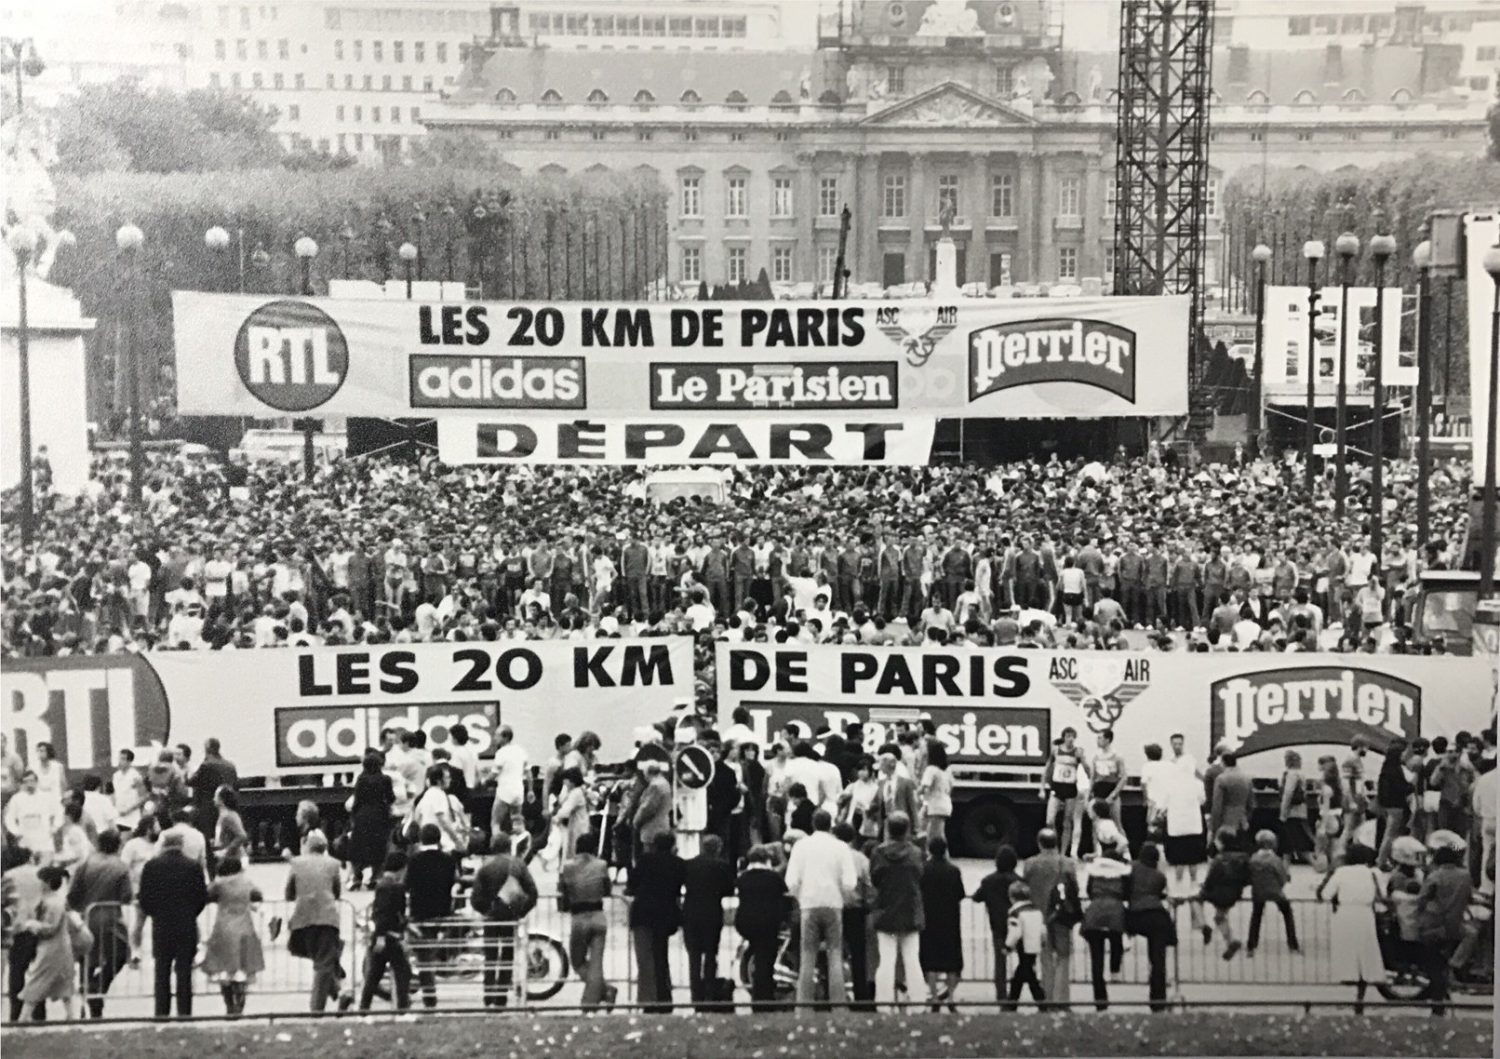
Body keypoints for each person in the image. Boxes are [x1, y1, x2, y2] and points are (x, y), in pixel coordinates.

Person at [785, 807, 856, 1008]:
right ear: (830, 824)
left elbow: (791, 880)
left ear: (813, 824)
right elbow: (850, 882)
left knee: (807, 956)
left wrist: (800, 897)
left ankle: (804, 1005)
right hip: (833, 904)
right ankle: (838, 1004)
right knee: (835, 954)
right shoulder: (841, 847)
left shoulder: (801, 846)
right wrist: (843, 895)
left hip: (809, 904)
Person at [137, 829, 209, 1018]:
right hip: (186, 923)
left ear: (164, 845)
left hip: (161, 924)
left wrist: (155, 913)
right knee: (184, 969)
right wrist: (191, 912)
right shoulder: (192, 866)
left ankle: (162, 1011)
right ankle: (184, 1011)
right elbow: (201, 896)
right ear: (181, 845)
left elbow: (144, 898)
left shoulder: (151, 867)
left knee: (162, 969)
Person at [67, 828, 133, 1018]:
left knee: (86, 960)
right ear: (117, 845)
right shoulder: (120, 866)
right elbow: (127, 896)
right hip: (111, 919)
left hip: (86, 918)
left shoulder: (86, 863)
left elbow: (72, 895)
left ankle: (90, 996)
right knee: (119, 956)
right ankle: (100, 985)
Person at [470, 831, 539, 1008]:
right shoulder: (518, 865)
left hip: (492, 917)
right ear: (510, 846)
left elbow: (475, 898)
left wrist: (486, 910)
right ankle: (501, 996)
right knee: (507, 955)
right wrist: (521, 912)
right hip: (510, 915)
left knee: (491, 956)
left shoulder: (486, 866)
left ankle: (489, 996)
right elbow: (533, 893)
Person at [1320, 843, 1385, 1014]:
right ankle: (1360, 997)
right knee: (1365, 956)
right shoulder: (1373, 873)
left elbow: (1326, 894)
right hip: (1365, 914)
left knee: (1347, 955)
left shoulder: (1341, 873)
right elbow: (1382, 895)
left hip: (1345, 914)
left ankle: (1347, 994)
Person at [284, 830, 345, 1012]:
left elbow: (289, 892)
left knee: (318, 959)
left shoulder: (297, 863)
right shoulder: (334, 864)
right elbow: (337, 892)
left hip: (303, 917)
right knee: (324, 961)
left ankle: (319, 1007)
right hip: (327, 916)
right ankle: (333, 996)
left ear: (307, 846)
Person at [869, 811, 924, 1011]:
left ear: (888, 829)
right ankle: (918, 1004)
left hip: (886, 911)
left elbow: (874, 878)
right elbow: (919, 875)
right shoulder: (916, 853)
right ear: (907, 829)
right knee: (912, 960)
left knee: (886, 961)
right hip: (909, 912)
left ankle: (883, 1004)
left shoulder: (878, 853)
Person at [626, 830, 685, 1013]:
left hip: (643, 912)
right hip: (665, 914)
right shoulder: (678, 864)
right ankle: (664, 996)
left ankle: (649, 1000)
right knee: (661, 955)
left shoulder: (644, 861)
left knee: (645, 959)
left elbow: (632, 885)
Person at [1416, 830, 1474, 1016]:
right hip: (1456, 927)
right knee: (1471, 934)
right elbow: (1470, 897)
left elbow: (1422, 899)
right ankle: (1456, 964)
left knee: (1434, 965)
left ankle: (1437, 1002)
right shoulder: (1465, 876)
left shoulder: (1435, 876)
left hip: (1434, 926)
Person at [201, 853, 265, 1016]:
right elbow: (258, 894)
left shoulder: (219, 884)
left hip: (223, 928)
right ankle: (241, 996)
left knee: (223, 970)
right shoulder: (247, 882)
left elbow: (206, 895)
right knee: (244, 967)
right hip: (245, 927)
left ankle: (229, 1002)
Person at [558, 831, 614, 1009]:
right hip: (598, 915)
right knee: (597, 962)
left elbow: (563, 894)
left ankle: (591, 1002)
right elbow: (607, 889)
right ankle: (602, 992)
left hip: (579, 917)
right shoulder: (602, 865)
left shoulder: (567, 867)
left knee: (578, 961)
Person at [1022, 827, 1078, 1005]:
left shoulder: (1030, 864)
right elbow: (1073, 890)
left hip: (1039, 917)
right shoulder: (1067, 864)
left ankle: (1047, 999)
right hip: (1061, 916)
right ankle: (1063, 1000)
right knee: (1063, 958)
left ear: (1039, 843)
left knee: (1045, 960)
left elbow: (1025, 888)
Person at [16, 865, 79, 1021]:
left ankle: (23, 1019)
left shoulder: (52, 903)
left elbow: (50, 927)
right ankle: (72, 1017)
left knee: (37, 982)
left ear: (47, 882)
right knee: (64, 984)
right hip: (61, 947)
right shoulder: (56, 901)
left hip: (51, 949)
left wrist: (32, 925)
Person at [682, 833, 736, 1012]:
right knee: (711, 955)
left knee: (693, 956)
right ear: (718, 848)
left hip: (690, 913)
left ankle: (695, 994)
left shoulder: (689, 865)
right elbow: (729, 888)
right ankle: (710, 992)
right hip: (711, 913)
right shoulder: (721, 866)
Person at [406, 823, 458, 1009]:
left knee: (423, 957)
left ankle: (429, 996)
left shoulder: (414, 860)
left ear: (421, 839)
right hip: (442, 911)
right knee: (432, 951)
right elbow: (453, 881)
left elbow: (408, 884)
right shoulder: (448, 860)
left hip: (420, 913)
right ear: (439, 839)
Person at [735, 844, 790, 1013]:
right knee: (766, 959)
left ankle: (757, 995)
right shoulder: (773, 878)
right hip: (767, 923)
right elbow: (784, 894)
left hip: (746, 922)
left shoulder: (743, 878)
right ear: (767, 858)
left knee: (758, 954)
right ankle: (764, 999)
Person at [359, 850, 413, 1011]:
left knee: (374, 975)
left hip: (384, 936)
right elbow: (383, 914)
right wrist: (382, 935)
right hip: (389, 936)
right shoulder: (393, 887)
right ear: (401, 868)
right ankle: (402, 1008)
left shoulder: (384, 885)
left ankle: (364, 1008)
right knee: (403, 973)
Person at [1126, 842, 1175, 1012]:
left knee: (1155, 956)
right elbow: (1158, 891)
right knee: (1158, 960)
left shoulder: (1132, 868)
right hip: (1157, 916)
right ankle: (1158, 999)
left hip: (1136, 915)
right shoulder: (1159, 876)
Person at [1081, 846, 1131, 1010]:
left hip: (1094, 912)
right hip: (1115, 911)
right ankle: (1115, 968)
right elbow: (1126, 893)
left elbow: (1089, 891)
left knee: (1097, 959)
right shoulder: (1121, 874)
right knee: (1116, 939)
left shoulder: (1094, 872)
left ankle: (1100, 1000)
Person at [918, 835, 964, 1011]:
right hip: (950, 918)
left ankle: (935, 996)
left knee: (930, 959)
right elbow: (960, 893)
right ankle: (951, 997)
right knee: (952, 960)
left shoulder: (923, 870)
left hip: (929, 917)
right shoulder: (954, 870)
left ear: (929, 850)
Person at [971, 845, 1021, 1003]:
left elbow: (976, 897)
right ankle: (1017, 992)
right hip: (1018, 924)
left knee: (1000, 962)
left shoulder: (989, 881)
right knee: (1024, 960)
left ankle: (1001, 995)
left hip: (997, 925)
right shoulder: (1018, 880)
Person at [1246, 829, 1300, 956]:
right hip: (1275, 891)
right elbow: (1282, 877)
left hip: (1258, 891)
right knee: (1287, 913)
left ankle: (1251, 946)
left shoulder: (1253, 859)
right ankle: (1293, 945)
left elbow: (1249, 876)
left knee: (1256, 915)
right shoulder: (1275, 860)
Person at [346, 750, 394, 890]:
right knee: (378, 846)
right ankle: (375, 876)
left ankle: (357, 876)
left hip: (362, 816)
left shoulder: (361, 779)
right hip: (380, 815)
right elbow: (391, 798)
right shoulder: (385, 779)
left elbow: (357, 800)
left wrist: (354, 817)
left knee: (359, 846)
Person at [1201, 826, 1251, 958]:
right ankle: (1230, 941)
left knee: (1197, 900)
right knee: (1220, 916)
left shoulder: (1219, 859)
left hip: (1218, 892)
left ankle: (1204, 926)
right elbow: (1247, 878)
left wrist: (1204, 889)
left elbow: (1211, 879)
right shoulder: (1244, 857)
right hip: (1234, 892)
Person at [1041, 729, 1087, 856]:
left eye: (1073, 736)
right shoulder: (1056, 751)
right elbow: (1046, 768)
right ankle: (1054, 848)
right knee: (1050, 821)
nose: (1070, 739)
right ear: (1064, 738)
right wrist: (1042, 787)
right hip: (1057, 787)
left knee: (1067, 822)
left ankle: (1062, 853)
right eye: (1068, 736)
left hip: (1070, 788)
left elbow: (1087, 770)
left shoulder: (1077, 752)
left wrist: (1082, 758)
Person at [1003, 880, 1047, 1010]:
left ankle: (1016, 1002)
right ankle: (1017, 1001)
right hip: (1035, 945)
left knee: (1024, 973)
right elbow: (1043, 929)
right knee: (1026, 972)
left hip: (1023, 945)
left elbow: (1015, 932)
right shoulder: (1036, 910)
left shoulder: (1015, 913)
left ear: (1012, 897)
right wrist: (1043, 941)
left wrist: (1008, 946)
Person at [191, 738, 238, 849]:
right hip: (228, 805)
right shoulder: (230, 765)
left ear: (207, 748)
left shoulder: (207, 765)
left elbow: (193, 781)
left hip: (209, 806)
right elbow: (236, 784)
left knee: (209, 837)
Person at [1375, 740, 1414, 871]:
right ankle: (1382, 860)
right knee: (1391, 834)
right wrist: (1412, 784)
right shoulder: (1396, 770)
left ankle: (1384, 858)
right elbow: (1401, 787)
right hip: (1396, 805)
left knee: (1389, 833)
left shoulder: (1386, 768)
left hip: (1387, 805)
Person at [5, 771, 59, 860]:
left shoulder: (47, 797)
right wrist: (16, 832)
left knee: (44, 866)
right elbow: (9, 818)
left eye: (31, 781)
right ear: (23, 784)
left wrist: (54, 828)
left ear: (36, 782)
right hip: (25, 838)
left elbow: (59, 813)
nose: (29, 784)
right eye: (26, 782)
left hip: (44, 838)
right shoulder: (17, 798)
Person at [489, 726, 530, 838]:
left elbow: (493, 774)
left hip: (504, 792)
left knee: (495, 823)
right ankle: (523, 845)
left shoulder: (501, 753)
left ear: (505, 737)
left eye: (497, 735)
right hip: (518, 792)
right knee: (517, 822)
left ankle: (497, 847)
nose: (494, 738)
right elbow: (528, 772)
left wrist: (484, 781)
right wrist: (530, 790)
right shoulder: (521, 751)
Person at [1208, 752, 1253, 851]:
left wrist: (1213, 826)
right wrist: (1246, 817)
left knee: (1225, 851)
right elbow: (1251, 803)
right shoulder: (1247, 778)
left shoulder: (1221, 779)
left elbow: (1217, 805)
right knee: (1240, 849)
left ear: (1223, 763)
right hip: (1242, 819)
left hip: (1226, 820)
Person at [1277, 750, 1314, 866]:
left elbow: (1288, 793)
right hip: (1301, 811)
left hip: (1292, 812)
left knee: (1295, 843)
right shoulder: (1301, 774)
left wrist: (1283, 813)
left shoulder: (1291, 774)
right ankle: (1285, 867)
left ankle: (1316, 865)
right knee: (1290, 843)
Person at [551, 767, 590, 862]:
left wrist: (556, 817)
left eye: (566, 780)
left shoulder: (576, 793)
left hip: (579, 824)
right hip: (576, 823)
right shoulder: (575, 791)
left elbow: (566, 809)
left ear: (572, 781)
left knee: (575, 849)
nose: (564, 783)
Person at [918, 740, 954, 844]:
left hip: (935, 805)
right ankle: (943, 858)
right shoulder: (947, 769)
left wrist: (915, 793)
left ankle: (936, 858)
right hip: (945, 803)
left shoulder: (931, 769)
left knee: (932, 838)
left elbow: (924, 787)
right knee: (940, 836)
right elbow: (951, 786)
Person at [213, 786, 248, 866]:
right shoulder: (223, 815)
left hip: (234, 859)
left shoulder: (228, 816)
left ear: (222, 799)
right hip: (228, 859)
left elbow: (242, 835)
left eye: (216, 796)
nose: (213, 799)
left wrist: (226, 851)